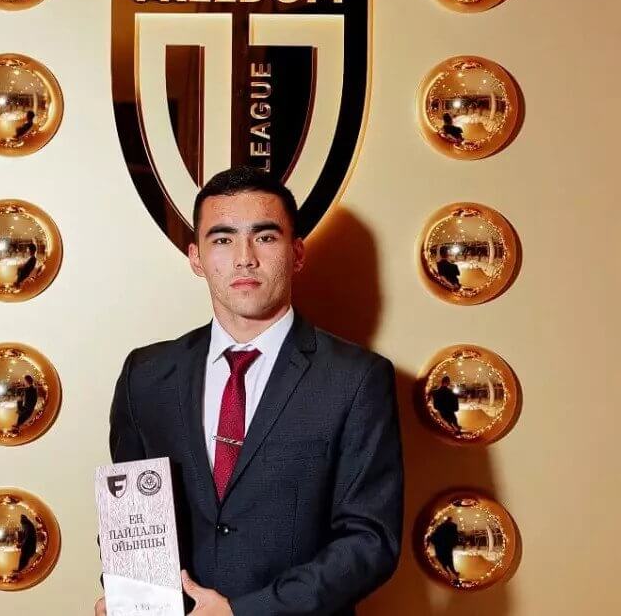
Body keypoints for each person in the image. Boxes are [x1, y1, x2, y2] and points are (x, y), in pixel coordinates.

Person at [97, 167, 403, 615]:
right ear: (196, 258)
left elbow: (370, 541)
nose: (244, 258)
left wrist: (244, 612)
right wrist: (130, 600)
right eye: (222, 239)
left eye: (265, 237)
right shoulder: (145, 375)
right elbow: (132, 517)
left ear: (296, 253)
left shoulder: (357, 379)